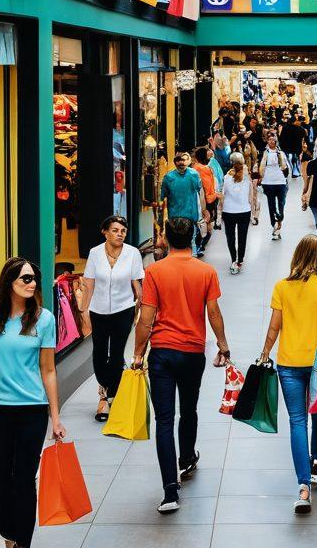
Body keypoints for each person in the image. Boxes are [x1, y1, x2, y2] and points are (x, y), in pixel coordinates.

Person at [0, 258, 64, 548]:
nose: (31, 284)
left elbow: (49, 370)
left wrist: (55, 417)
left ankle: (22, 543)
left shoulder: (44, 319)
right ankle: (10, 535)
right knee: (1, 481)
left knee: (24, 480)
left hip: (32, 411)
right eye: (25, 279)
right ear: (10, 282)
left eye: (34, 280)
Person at [132, 217, 231, 514]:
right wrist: (223, 345)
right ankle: (187, 458)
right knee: (188, 409)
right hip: (192, 352)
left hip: (162, 352)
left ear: (165, 239)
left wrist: (138, 353)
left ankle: (170, 492)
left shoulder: (154, 272)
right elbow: (213, 312)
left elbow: (146, 318)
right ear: (192, 238)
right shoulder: (206, 271)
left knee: (164, 419)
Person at [260, 235, 317, 514]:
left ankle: (303, 486)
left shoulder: (281, 287)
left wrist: (264, 353)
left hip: (288, 362)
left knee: (297, 420)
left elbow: (274, 328)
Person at [81, 215, 144, 422]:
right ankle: (106, 387)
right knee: (99, 353)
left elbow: (137, 285)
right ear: (105, 232)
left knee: (116, 354)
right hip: (98, 311)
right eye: (115, 230)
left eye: (123, 231)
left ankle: (108, 397)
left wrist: (140, 311)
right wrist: (84, 311)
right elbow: (89, 284)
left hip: (123, 310)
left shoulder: (133, 253)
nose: (120, 234)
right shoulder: (95, 253)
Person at [159, 152, 205, 238]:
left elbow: (201, 192)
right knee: (178, 241)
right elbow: (162, 198)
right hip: (174, 217)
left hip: (190, 216)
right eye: (178, 160)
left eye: (183, 160)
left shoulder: (194, 175)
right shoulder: (168, 177)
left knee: (190, 241)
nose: (181, 163)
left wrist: (204, 210)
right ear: (175, 162)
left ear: (187, 162)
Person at [221, 152, 252, 273]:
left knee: (230, 237)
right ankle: (240, 260)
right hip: (244, 210)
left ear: (231, 163)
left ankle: (233, 259)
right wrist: (254, 212)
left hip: (228, 211)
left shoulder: (226, 177)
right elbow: (251, 195)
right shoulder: (247, 177)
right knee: (242, 236)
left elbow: (223, 195)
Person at [259, 134, 289, 240]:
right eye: (270, 139)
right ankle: (274, 226)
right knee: (271, 206)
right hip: (268, 182)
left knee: (281, 206)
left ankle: (279, 224)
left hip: (280, 182)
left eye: (274, 139)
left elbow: (285, 167)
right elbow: (260, 166)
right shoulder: (264, 153)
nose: (272, 141)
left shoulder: (281, 153)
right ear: (267, 141)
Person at [192, 146, 220, 254]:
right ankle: (200, 246)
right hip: (206, 201)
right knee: (207, 224)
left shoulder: (194, 168)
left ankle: (198, 246)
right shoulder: (204, 169)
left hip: (196, 200)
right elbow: (208, 187)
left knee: (199, 223)